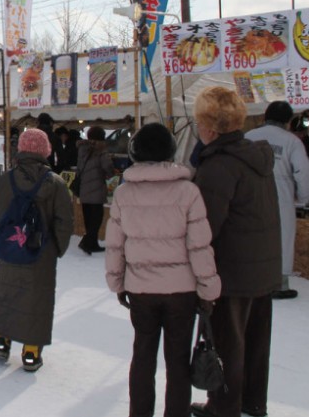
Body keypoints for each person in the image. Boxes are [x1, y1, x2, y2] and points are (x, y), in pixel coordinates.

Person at [105, 123, 221, 417]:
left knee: (142, 356)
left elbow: (115, 245)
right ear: (170, 150)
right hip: (181, 292)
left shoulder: (123, 194)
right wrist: (208, 289)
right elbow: (200, 246)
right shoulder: (188, 192)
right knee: (178, 361)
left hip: (140, 289)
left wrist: (117, 283)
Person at [190, 86, 281, 417]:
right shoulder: (255, 157)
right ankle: (253, 402)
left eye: (200, 122)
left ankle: (224, 406)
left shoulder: (218, 166)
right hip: (262, 268)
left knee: (228, 343)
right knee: (256, 342)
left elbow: (204, 228)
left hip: (232, 271)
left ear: (210, 127)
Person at [0, 129, 73, 372]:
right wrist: (55, 249)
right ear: (45, 150)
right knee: (37, 300)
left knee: (7, 293)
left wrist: (5, 240)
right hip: (41, 253)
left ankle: (1, 341)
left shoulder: (5, 179)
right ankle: (31, 351)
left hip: (10, 249)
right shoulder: (55, 183)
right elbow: (64, 222)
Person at [246, 101, 309, 300]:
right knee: (282, 237)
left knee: (251, 235)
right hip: (281, 195)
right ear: (288, 120)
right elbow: (303, 172)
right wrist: (302, 198)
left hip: (250, 194)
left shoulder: (248, 137)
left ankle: (250, 279)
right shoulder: (292, 141)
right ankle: (280, 284)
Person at [76, 126, 114, 255]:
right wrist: (111, 171)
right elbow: (107, 167)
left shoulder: (82, 148)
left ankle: (91, 243)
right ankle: (87, 242)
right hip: (96, 188)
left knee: (88, 218)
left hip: (83, 188)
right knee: (97, 218)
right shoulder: (101, 149)